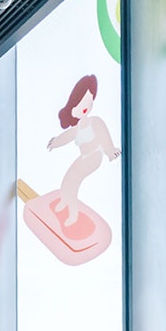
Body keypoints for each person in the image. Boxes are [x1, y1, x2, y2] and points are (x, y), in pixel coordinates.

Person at [46, 75, 121, 227]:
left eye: (89, 99)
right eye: (80, 103)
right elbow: (67, 136)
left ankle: (73, 214)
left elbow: (104, 137)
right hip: (84, 157)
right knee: (67, 178)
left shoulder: (95, 122)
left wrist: (110, 151)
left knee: (73, 181)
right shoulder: (78, 127)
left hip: (94, 157)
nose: (85, 105)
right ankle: (64, 200)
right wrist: (56, 142)